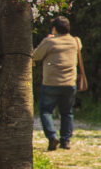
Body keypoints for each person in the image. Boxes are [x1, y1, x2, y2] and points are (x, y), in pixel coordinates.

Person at [33, 15, 87, 151]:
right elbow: (78, 47)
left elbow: (36, 56)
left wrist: (50, 38)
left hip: (51, 82)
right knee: (67, 112)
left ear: (55, 28)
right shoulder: (76, 41)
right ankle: (66, 141)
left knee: (45, 111)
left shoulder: (49, 42)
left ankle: (52, 137)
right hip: (69, 83)